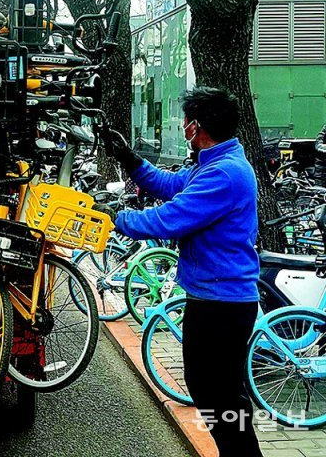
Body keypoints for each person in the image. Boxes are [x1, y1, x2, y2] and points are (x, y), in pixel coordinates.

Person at [107, 86, 262, 457]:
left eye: (186, 122)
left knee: (219, 395)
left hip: (222, 304)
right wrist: (129, 159)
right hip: (213, 298)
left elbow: (170, 218)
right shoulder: (212, 164)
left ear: (197, 128)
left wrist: (116, 219)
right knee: (215, 391)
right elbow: (168, 185)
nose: (183, 127)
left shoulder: (224, 174)